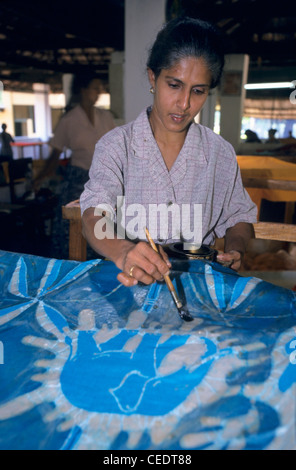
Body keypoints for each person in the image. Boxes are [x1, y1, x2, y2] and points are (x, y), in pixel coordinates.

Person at [80, 17, 257, 287]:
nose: (184, 104)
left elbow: (239, 217)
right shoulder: (117, 146)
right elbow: (95, 216)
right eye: (174, 85)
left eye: (198, 91)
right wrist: (124, 251)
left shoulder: (219, 153)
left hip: (198, 286)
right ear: (153, 77)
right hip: (129, 283)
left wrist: (236, 247)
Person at [34, 71, 115, 258]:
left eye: (100, 89)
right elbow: (55, 154)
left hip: (102, 180)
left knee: (101, 227)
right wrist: (40, 177)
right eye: (96, 88)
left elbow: (115, 148)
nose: (99, 92)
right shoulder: (69, 120)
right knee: (75, 228)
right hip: (77, 182)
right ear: (84, 90)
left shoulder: (106, 117)